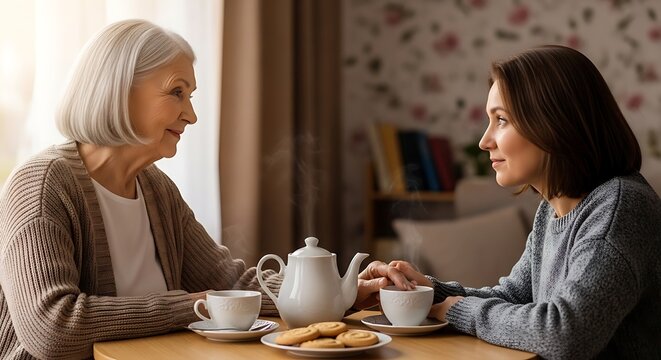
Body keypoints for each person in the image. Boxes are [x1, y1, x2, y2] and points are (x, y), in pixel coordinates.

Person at [0, 19, 290, 359]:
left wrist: (344, 291)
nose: (191, 115)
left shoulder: (157, 190)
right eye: (177, 92)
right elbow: (52, 328)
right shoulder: (42, 184)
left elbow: (232, 285)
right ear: (119, 89)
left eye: (190, 96)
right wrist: (189, 307)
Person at [356, 45, 661, 359]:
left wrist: (459, 311)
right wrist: (423, 290)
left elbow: (565, 333)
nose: (484, 141)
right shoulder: (552, 210)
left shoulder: (620, 209)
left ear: (554, 123)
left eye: (501, 120)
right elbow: (513, 297)